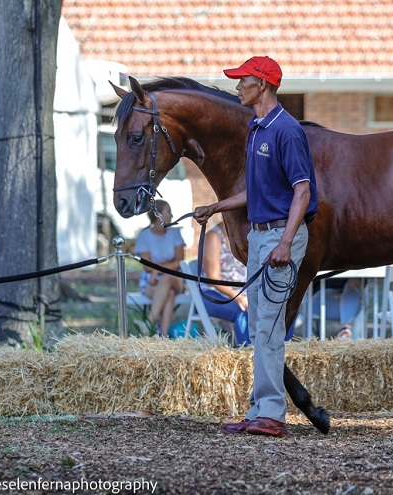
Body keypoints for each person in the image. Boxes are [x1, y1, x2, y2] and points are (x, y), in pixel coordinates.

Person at [193, 55, 318, 438]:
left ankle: (272, 415)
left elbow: (302, 191)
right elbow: (257, 191)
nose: (237, 87)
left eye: (242, 80)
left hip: (280, 236)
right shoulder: (258, 129)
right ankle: (260, 410)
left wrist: (285, 242)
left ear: (261, 84)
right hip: (260, 235)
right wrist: (216, 207)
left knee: (267, 326)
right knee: (260, 327)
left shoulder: (287, 130)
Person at [134, 200, 186, 338]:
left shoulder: (175, 233)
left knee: (167, 277)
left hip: (175, 278)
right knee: (169, 294)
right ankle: (163, 336)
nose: (172, 215)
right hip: (151, 280)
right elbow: (147, 265)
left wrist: (157, 270)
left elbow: (179, 262)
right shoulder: (144, 236)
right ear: (158, 214)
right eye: (168, 211)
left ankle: (149, 323)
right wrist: (164, 266)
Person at [199, 219, 250, 346]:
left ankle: (279, 349)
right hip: (214, 293)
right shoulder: (214, 236)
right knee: (242, 310)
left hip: (243, 293)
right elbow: (212, 279)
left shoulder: (246, 233)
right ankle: (248, 351)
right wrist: (237, 297)